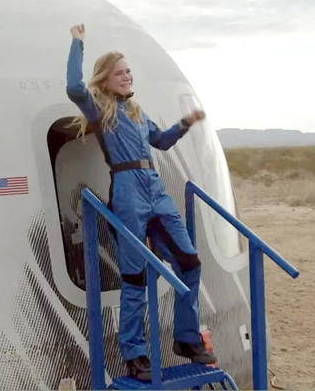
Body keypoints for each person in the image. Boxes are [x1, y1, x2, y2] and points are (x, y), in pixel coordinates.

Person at [66, 23, 215, 382]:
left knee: (189, 262)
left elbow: (161, 142)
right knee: (134, 278)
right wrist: (77, 43)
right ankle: (135, 355)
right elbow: (73, 87)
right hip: (128, 191)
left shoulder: (135, 112)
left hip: (154, 186)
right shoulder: (101, 110)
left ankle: (186, 338)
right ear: (105, 79)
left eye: (129, 71)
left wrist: (185, 123)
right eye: (120, 72)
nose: (127, 76)